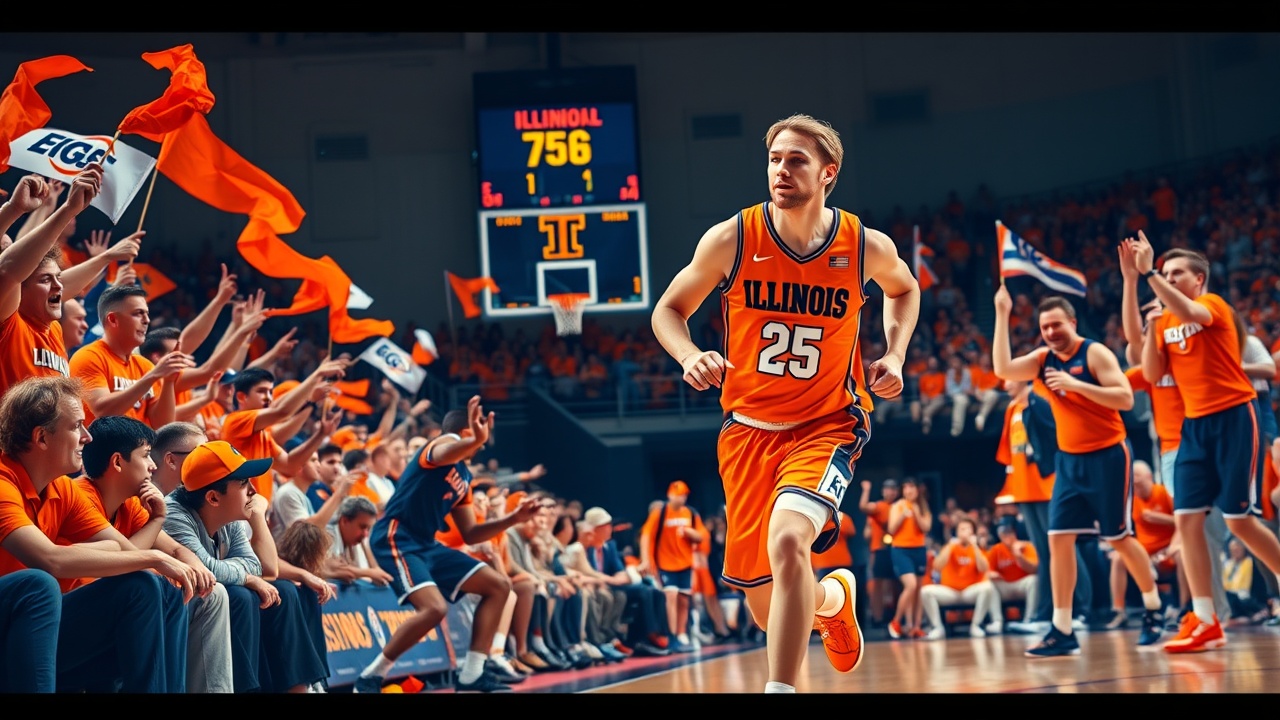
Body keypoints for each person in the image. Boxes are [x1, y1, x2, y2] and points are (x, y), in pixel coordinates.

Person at [650, 112, 920, 693]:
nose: (781, 170)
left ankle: (781, 690)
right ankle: (830, 600)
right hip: (747, 428)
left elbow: (905, 289)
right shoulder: (733, 238)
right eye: (774, 159)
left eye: (796, 160)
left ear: (828, 173)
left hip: (828, 422)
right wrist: (688, 354)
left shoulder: (864, 245)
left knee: (790, 540)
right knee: (762, 603)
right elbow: (667, 310)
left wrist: (896, 355)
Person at [992, 286, 1165, 657]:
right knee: (1058, 540)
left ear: (1072, 323)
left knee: (1119, 538)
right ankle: (1062, 628)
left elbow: (1126, 398)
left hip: (1108, 455)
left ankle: (1153, 608)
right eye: (1045, 327)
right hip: (1069, 461)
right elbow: (1003, 369)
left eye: (1057, 325)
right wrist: (1002, 314)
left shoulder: (1094, 352)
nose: (1051, 332)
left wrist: (1075, 385)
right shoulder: (1042, 360)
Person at [1131, 234, 1280, 652]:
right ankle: (1206, 620)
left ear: (1199, 278)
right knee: (1187, 521)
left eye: (1178, 273)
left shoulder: (1213, 305)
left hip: (1235, 417)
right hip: (1193, 427)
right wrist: (1152, 326)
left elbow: (1190, 310)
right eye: (1167, 273)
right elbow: (1152, 372)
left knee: (1239, 522)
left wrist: (1149, 274)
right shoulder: (1166, 321)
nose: (1170, 278)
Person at [0, 376, 196, 692]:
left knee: (151, 588)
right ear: (42, 437)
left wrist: (152, 549)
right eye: (77, 426)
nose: (87, 437)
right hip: (12, 625)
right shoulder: (3, 483)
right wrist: (153, 557)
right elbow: (51, 561)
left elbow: (125, 551)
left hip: (35, 630)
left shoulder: (61, 488)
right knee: (38, 584)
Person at [354, 396, 544, 694]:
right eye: (478, 435)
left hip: (427, 544)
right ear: (466, 432)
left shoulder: (465, 477)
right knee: (434, 608)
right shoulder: (438, 447)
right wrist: (472, 440)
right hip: (396, 535)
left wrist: (513, 519)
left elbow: (471, 533)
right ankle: (371, 677)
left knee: (498, 586)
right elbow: (445, 451)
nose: (483, 442)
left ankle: (472, 673)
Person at [73, 415, 233, 693]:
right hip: (80, 615)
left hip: (113, 611)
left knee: (195, 590)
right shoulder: (80, 495)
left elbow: (175, 549)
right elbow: (126, 558)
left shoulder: (129, 503)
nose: (153, 465)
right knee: (147, 585)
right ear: (118, 462)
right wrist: (158, 520)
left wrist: (198, 570)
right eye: (146, 455)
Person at [163, 440, 331, 693]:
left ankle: (302, 689)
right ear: (213, 497)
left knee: (284, 592)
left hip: (210, 604)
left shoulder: (227, 513)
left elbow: (259, 566)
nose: (253, 491)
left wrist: (257, 517)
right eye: (243, 484)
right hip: (178, 615)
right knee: (240, 595)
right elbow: (204, 567)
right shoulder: (174, 513)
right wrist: (247, 578)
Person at [0, 166, 112, 399]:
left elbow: (62, 284)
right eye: (45, 279)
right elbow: (8, 270)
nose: (58, 286)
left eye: (57, 278)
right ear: (20, 289)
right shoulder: (10, 323)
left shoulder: (54, 329)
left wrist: (108, 256)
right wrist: (67, 209)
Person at [69, 284, 194, 429]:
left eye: (147, 314)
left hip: (139, 443)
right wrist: (153, 376)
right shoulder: (88, 357)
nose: (147, 320)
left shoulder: (145, 366)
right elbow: (102, 412)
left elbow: (162, 425)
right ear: (113, 319)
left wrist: (168, 382)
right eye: (138, 313)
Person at [638, 479, 708, 653]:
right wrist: (646, 559)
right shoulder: (660, 512)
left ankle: (681, 634)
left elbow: (701, 536)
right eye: (678, 495)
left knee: (684, 599)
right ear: (669, 495)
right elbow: (646, 535)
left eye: (684, 495)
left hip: (685, 563)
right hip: (665, 562)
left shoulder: (691, 513)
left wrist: (690, 533)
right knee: (671, 596)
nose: (681, 498)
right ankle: (672, 635)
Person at [919, 517, 1001, 639]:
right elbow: (937, 566)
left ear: (973, 532)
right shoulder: (950, 546)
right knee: (926, 591)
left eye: (968, 529)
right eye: (962, 529)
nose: (965, 532)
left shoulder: (977, 549)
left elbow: (983, 568)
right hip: (950, 592)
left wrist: (975, 546)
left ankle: (975, 625)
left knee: (988, 587)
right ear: (957, 532)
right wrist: (950, 546)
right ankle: (938, 628)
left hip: (969, 592)